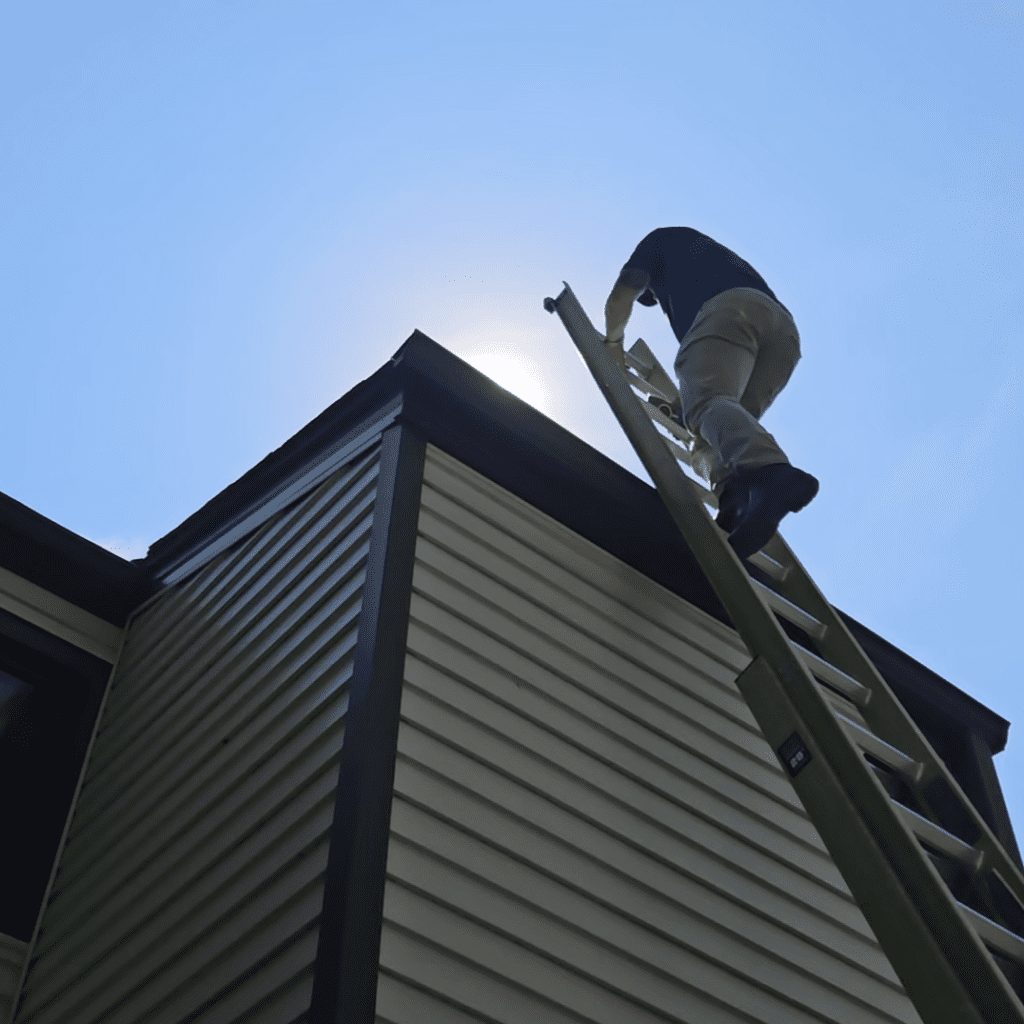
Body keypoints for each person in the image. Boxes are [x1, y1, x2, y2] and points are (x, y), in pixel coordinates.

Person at [604, 226, 819, 560]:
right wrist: (683, 404)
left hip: (730, 310)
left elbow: (622, 294)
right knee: (712, 430)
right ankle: (734, 499)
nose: (656, 298)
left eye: (652, 295)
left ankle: (772, 473)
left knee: (705, 406)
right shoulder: (707, 255)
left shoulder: (659, 241)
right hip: (783, 335)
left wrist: (613, 344)